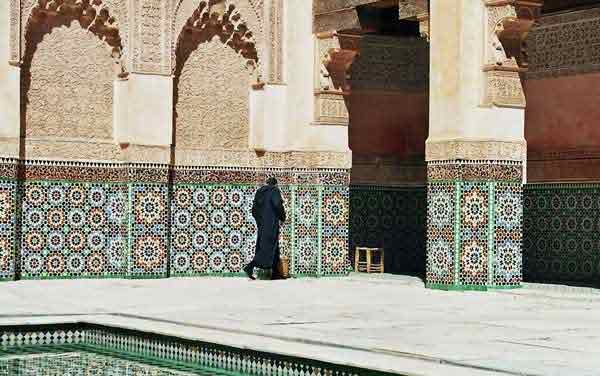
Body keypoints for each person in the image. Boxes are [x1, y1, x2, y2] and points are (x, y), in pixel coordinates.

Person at [243, 177, 286, 280]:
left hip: (262, 224)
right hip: (271, 223)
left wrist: (260, 221)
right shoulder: (274, 190)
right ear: (275, 184)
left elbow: (254, 210)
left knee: (274, 247)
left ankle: (276, 273)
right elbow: (277, 204)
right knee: (267, 248)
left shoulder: (259, 192)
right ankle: (250, 266)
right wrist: (282, 217)